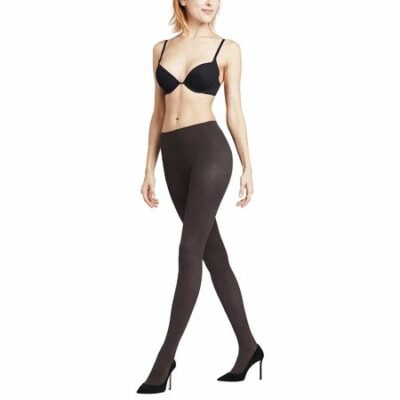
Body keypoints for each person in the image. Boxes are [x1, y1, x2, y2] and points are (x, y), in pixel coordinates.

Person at [137, 0, 264, 394]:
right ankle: (249, 347)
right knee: (213, 253)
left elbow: (234, 111)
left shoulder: (227, 49)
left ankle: (164, 359)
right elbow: (158, 113)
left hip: (210, 151)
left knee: (189, 248)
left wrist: (248, 165)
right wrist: (148, 168)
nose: (211, 1)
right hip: (173, 157)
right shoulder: (160, 49)